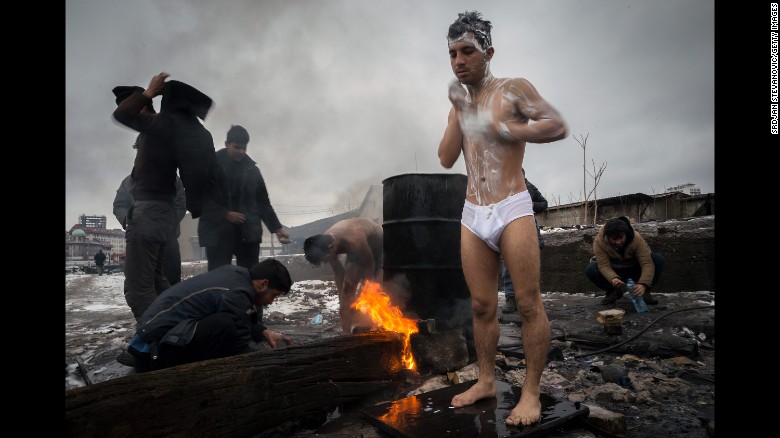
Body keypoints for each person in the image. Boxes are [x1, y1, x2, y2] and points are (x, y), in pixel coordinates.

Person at [437, 11, 567, 426]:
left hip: (511, 204)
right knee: (480, 304)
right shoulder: (461, 99)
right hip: (473, 210)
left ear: (487, 53)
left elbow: (556, 124)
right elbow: (444, 158)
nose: (458, 60)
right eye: (453, 53)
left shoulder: (512, 89)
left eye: (467, 51)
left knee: (527, 302)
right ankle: (487, 380)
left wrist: (509, 129)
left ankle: (530, 393)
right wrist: (458, 110)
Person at [112, 72, 215, 321]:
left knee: (138, 290)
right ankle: (179, 327)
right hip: (161, 215)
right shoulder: (172, 128)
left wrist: (148, 92)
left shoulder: (160, 126)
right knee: (158, 282)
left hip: (149, 215)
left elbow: (122, 114)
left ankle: (153, 342)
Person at [127, 259, 293, 373]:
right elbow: (240, 343)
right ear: (263, 284)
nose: (271, 302)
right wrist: (264, 363)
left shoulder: (235, 276)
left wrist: (262, 332)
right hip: (152, 356)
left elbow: (244, 314)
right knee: (225, 326)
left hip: (152, 345)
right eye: (274, 295)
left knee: (228, 323)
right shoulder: (237, 292)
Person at [197, 125, 291, 272]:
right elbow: (199, 197)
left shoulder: (252, 170)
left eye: (244, 148)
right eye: (237, 147)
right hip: (218, 233)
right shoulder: (210, 165)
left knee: (249, 277)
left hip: (248, 233)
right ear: (227, 144)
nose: (241, 151)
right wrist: (225, 214)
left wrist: (277, 229)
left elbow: (263, 203)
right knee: (218, 278)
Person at [303, 217, 383, 334]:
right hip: (356, 252)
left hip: (380, 248)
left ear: (332, 248)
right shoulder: (323, 244)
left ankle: (371, 327)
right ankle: (346, 335)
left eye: (325, 259)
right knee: (348, 285)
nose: (325, 262)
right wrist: (344, 304)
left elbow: (369, 268)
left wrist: (363, 297)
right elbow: (339, 274)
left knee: (377, 288)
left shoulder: (354, 239)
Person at [113, 171, 187, 284]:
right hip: (139, 241)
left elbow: (181, 204)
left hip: (167, 240)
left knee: (170, 282)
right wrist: (129, 220)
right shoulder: (129, 181)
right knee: (140, 284)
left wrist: (167, 223)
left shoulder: (174, 180)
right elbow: (119, 205)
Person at [585, 216, 665, 305]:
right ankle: (613, 292)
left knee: (658, 259)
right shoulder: (599, 242)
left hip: (634, 269)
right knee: (591, 269)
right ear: (608, 236)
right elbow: (603, 265)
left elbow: (646, 263)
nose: (618, 242)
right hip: (615, 270)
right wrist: (613, 278)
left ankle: (644, 292)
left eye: (621, 238)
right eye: (614, 239)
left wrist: (643, 284)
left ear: (625, 233)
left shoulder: (636, 238)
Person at [501, 170, 547, 313]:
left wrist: (533, 205)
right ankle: (511, 299)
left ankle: (530, 300)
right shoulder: (501, 188)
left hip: (529, 231)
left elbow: (544, 204)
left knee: (530, 267)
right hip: (509, 231)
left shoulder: (530, 187)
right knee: (508, 267)